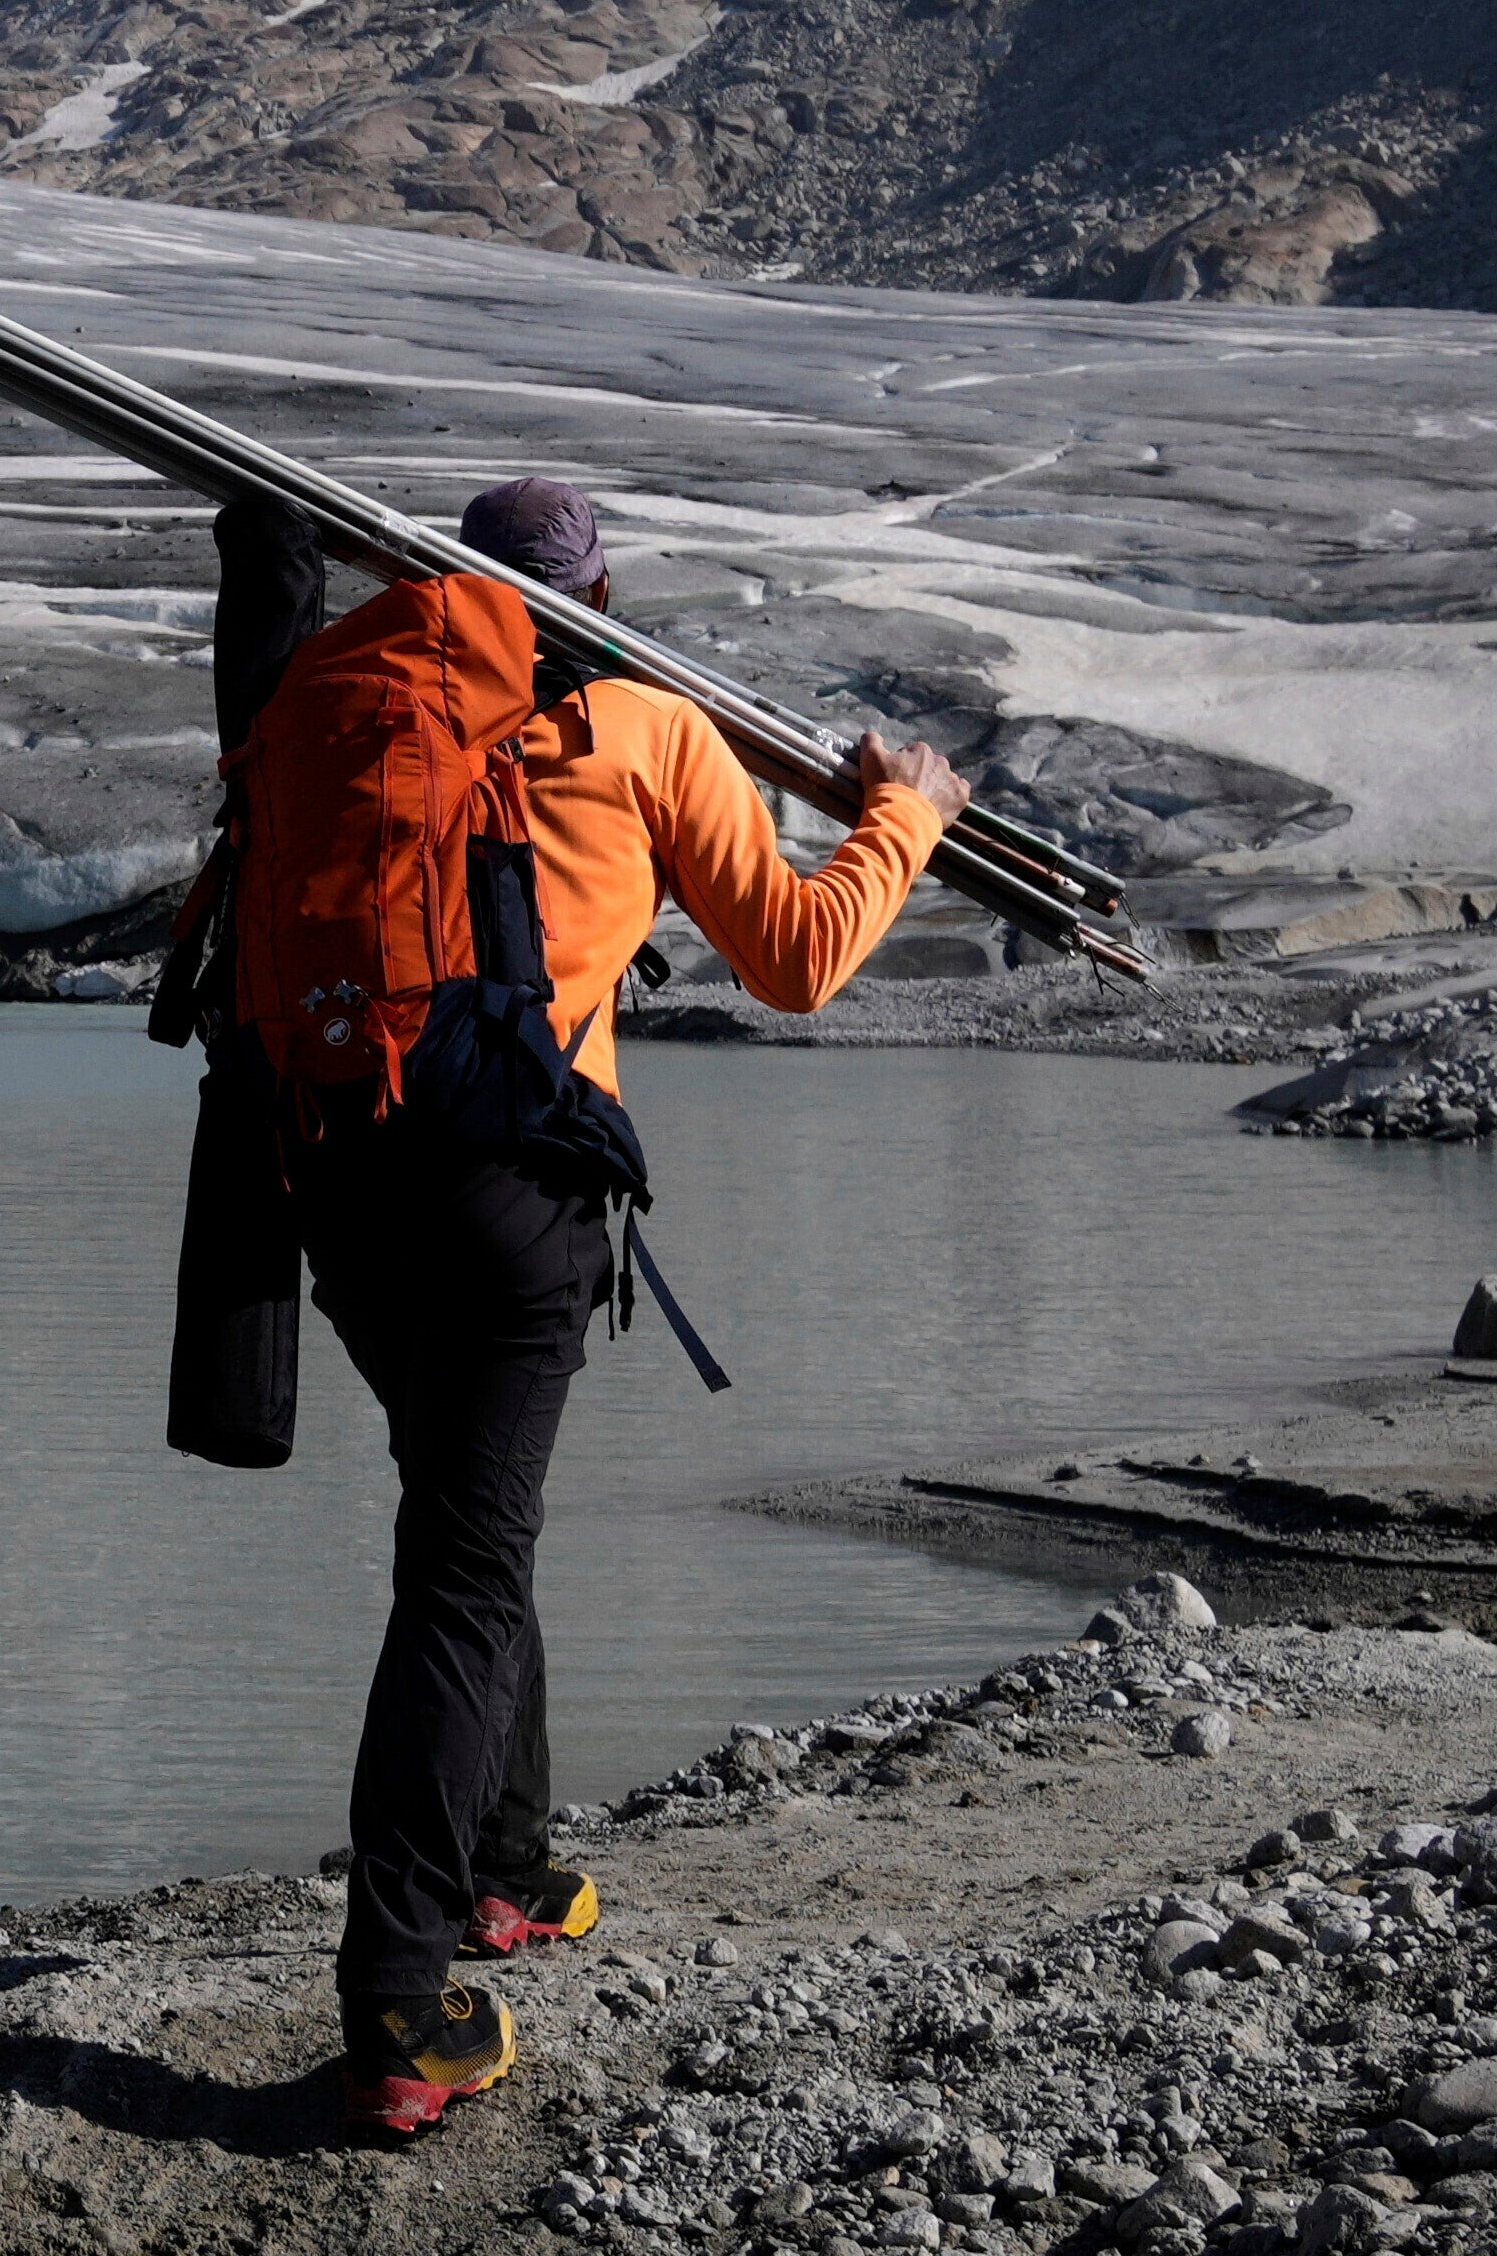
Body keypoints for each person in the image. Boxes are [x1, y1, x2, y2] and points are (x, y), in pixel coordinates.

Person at [200, 472, 961, 2142]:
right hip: (514, 1202)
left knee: (470, 1514)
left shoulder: (343, 700)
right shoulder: (645, 725)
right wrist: (907, 817)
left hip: (338, 1177)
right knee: (464, 1574)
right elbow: (799, 957)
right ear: (601, 589)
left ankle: (507, 1866)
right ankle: (402, 2002)